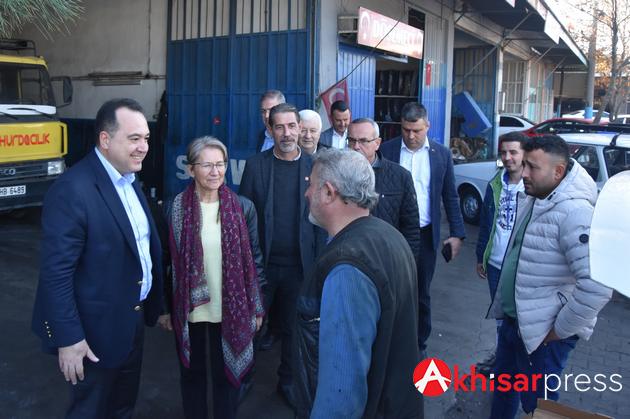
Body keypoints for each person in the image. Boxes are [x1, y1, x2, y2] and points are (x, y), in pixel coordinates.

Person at [31, 98, 164, 418]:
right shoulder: (72, 190)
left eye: (146, 138)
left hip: (130, 323)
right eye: (134, 138)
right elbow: (56, 274)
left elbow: (140, 248)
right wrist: (69, 338)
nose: (143, 147)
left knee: (122, 406)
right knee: (90, 410)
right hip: (91, 334)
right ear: (105, 139)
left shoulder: (129, 180)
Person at [488, 135, 613, 418]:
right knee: (504, 391)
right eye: (525, 165)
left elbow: (597, 286)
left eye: (533, 167)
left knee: (538, 407)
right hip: (515, 324)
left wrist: (557, 331)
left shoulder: (576, 213)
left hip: (543, 337)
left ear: (558, 172)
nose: (524, 173)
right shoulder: (537, 196)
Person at [294, 148, 422, 418]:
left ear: (329, 192)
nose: (306, 193)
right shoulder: (389, 236)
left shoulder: (348, 266)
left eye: (311, 185)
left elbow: (341, 392)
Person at [163, 137, 265, 419]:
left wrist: (256, 306)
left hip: (230, 308)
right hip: (191, 309)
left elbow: (255, 260)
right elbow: (164, 262)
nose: (215, 172)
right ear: (191, 168)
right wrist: (164, 309)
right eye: (207, 165)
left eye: (220, 164)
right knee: (192, 376)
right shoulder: (174, 208)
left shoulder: (242, 207)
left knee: (226, 378)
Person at [239, 102, 322, 407]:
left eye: (291, 126)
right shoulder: (255, 166)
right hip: (261, 267)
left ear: (299, 128)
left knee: (292, 329)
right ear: (270, 130)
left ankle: (288, 380)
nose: (286, 133)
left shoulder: (315, 167)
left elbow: (321, 221)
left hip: (300, 267)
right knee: (250, 327)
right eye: (279, 127)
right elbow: (243, 218)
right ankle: (243, 377)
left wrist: (319, 265)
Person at [380, 101, 465, 354]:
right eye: (406, 130)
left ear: (427, 126)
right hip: (391, 233)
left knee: (420, 291)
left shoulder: (441, 155)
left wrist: (457, 234)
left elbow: (450, 196)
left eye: (416, 130)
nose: (411, 136)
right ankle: (389, 338)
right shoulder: (387, 150)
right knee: (389, 287)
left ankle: (418, 343)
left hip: (425, 234)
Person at [475, 131, 527, 375]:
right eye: (503, 152)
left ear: (525, 154)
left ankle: (513, 365)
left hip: (520, 266)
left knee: (517, 319)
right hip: (495, 263)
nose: (507, 157)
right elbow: (486, 224)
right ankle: (501, 360)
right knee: (500, 317)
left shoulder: (532, 186)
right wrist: (481, 257)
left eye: (513, 152)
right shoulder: (495, 184)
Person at [347, 117, 421, 260]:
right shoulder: (337, 174)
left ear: (377, 143)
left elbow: (411, 229)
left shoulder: (401, 177)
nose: (356, 146)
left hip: (387, 258)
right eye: (351, 140)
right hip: (349, 257)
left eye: (363, 141)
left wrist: (407, 264)